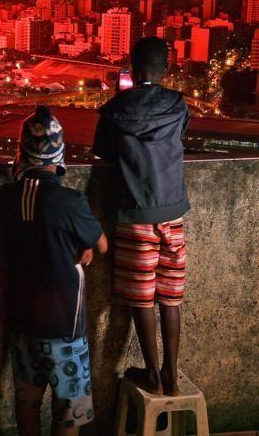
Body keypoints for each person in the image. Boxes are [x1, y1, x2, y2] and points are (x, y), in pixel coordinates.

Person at [0, 105, 107, 436]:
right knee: (68, 410)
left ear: (22, 154)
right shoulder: (70, 202)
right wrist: (84, 246)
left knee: (28, 399)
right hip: (64, 326)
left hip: (20, 320)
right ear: (58, 156)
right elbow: (100, 244)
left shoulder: (6, 197)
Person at [93, 36, 190, 396]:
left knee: (141, 296)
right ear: (166, 68)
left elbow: (102, 152)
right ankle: (172, 373)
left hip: (134, 213)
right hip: (173, 212)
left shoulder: (115, 110)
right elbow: (181, 135)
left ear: (132, 69)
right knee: (170, 296)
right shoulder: (178, 105)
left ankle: (151, 372)